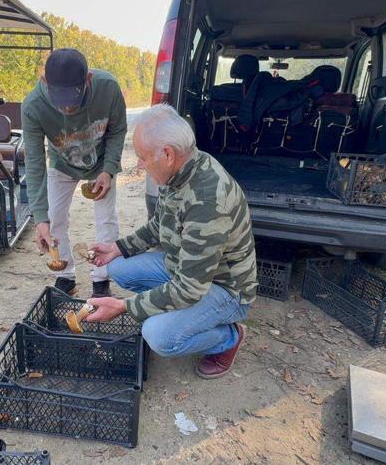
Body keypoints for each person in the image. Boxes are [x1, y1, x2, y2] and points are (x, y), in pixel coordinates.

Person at [85, 104, 257, 379]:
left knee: (158, 335)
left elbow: (189, 288)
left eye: (142, 157)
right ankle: (174, 312)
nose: (139, 165)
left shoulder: (207, 201)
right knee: (117, 267)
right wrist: (118, 248)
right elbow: (159, 225)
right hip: (186, 269)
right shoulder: (181, 170)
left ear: (167, 154)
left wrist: (125, 307)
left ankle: (229, 337)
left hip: (225, 288)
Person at [22, 49, 127, 297]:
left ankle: (101, 280)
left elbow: (117, 130)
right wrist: (40, 218)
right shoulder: (33, 106)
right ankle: (65, 276)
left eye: (73, 98)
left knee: (106, 219)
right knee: (54, 218)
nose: (68, 107)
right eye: (60, 99)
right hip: (62, 163)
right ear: (45, 81)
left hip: (100, 163)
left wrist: (109, 170)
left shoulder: (108, 88)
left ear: (88, 79)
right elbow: (35, 162)